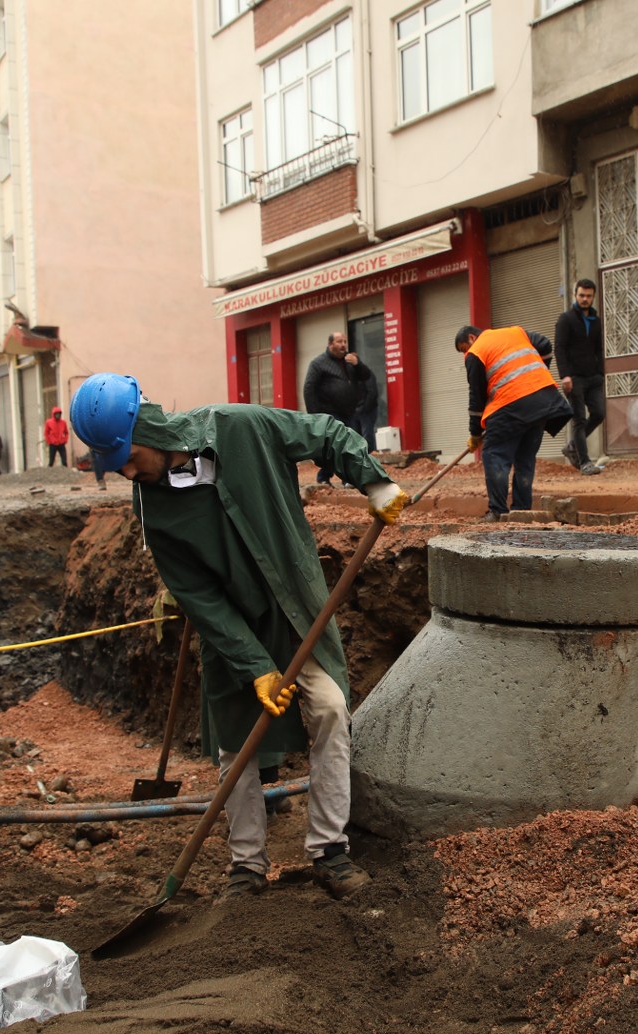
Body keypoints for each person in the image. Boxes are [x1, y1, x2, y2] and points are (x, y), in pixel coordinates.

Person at [68, 372, 409, 901]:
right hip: (233, 632)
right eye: (117, 466)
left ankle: (329, 851)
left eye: (129, 456)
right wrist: (257, 668)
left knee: (329, 710)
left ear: (152, 430)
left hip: (296, 611)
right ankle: (246, 866)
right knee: (236, 746)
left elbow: (325, 432)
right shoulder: (153, 511)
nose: (128, 472)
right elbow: (200, 597)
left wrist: (374, 480)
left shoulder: (241, 428)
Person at [455, 323, 571, 522]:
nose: (465, 354)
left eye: (463, 349)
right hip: (543, 402)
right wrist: (537, 376)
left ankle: (498, 512)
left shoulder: (476, 352)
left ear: (472, 339)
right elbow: (545, 344)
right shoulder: (515, 332)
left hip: (511, 404)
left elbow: (476, 397)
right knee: (525, 458)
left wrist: (475, 433)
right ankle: (522, 511)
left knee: (494, 454)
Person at [301, 331, 374, 485]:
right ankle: (324, 478)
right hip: (329, 412)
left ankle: (347, 479)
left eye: (345, 341)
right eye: (339, 341)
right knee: (337, 446)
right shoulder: (318, 363)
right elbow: (309, 388)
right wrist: (315, 416)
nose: (343, 345)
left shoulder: (350, 360)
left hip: (349, 412)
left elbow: (366, 376)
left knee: (353, 445)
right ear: (330, 345)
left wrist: (357, 364)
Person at [554, 279, 606, 475]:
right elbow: (559, 348)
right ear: (575, 295)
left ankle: (572, 447)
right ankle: (585, 462)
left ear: (593, 297)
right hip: (574, 378)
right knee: (579, 419)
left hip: (593, 377)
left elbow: (598, 348)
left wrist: (601, 372)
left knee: (599, 413)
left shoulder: (596, 321)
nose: (585, 299)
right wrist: (565, 376)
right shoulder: (566, 319)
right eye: (582, 295)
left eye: (589, 296)